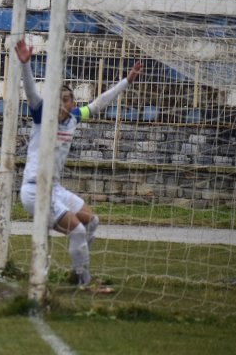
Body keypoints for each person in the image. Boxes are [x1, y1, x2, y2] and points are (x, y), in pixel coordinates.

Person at [16, 39, 142, 290]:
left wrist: (126, 81)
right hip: (34, 190)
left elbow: (98, 104)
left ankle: (77, 272)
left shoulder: (74, 116)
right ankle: (84, 281)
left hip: (56, 189)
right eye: (59, 99)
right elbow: (30, 92)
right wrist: (25, 65)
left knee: (91, 222)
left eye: (68, 100)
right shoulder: (42, 114)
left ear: (72, 104)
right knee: (77, 231)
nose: (63, 104)